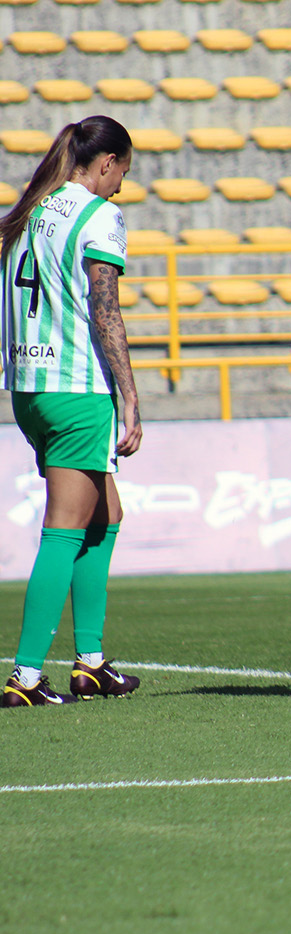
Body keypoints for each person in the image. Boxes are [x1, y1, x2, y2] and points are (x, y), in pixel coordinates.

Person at [0, 116, 142, 707]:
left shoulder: (30, 210)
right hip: (76, 388)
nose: (121, 186)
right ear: (105, 163)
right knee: (64, 529)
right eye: (122, 173)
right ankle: (26, 677)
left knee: (106, 513)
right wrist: (129, 395)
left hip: (29, 385)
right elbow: (105, 308)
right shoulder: (98, 215)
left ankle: (91, 664)